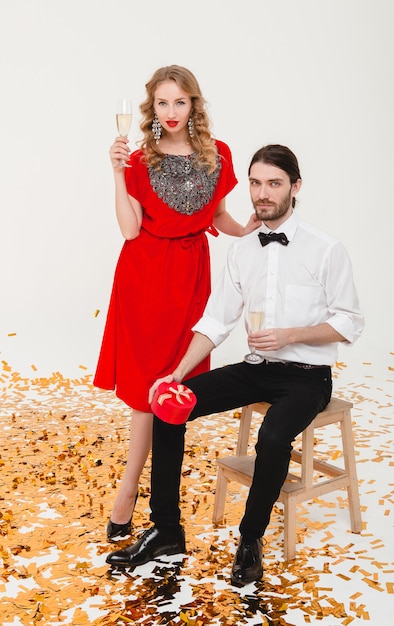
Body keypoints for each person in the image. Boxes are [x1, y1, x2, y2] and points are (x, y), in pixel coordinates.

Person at [105, 144, 364, 586]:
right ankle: (167, 531)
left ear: (295, 187)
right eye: (256, 183)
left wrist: (292, 335)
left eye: (274, 183)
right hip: (257, 366)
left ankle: (250, 540)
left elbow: (350, 323)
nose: (263, 193)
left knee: (275, 433)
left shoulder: (326, 249)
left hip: (305, 377)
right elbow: (215, 320)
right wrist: (178, 374)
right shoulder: (244, 250)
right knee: (172, 407)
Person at [94, 65, 260, 540]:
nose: (171, 112)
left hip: (191, 278)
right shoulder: (139, 159)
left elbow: (221, 217)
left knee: (174, 385)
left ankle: (158, 503)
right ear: (152, 107)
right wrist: (116, 171)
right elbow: (129, 229)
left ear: (194, 105)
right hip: (145, 277)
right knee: (146, 392)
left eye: (180, 102)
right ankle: (129, 491)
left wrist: (245, 230)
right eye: (162, 103)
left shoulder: (218, 154)